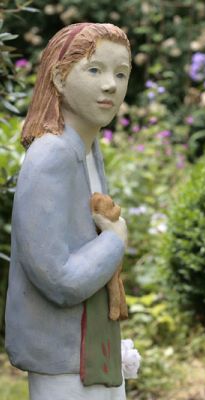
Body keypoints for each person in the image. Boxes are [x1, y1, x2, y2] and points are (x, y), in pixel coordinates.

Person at [5, 22, 133, 400]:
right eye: (94, 70)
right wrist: (115, 241)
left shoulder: (88, 150)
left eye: (121, 73)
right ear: (60, 78)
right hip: (61, 355)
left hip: (93, 347)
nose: (110, 85)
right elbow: (57, 279)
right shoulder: (51, 156)